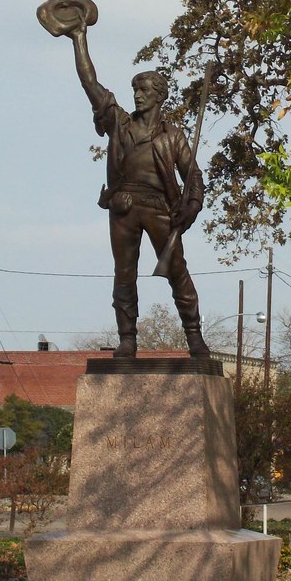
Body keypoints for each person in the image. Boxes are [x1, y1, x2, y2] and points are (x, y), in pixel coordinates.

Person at [66, 19, 208, 358]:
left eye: (144, 90)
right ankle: (127, 338)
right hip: (124, 207)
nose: (138, 95)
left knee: (177, 271)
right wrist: (79, 39)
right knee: (124, 274)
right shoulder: (120, 124)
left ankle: (194, 337)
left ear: (160, 95)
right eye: (135, 90)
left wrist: (192, 206)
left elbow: (193, 175)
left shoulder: (173, 136)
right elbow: (90, 83)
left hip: (160, 209)